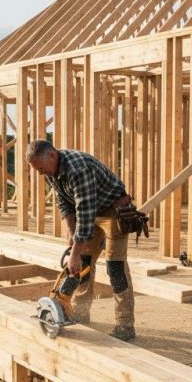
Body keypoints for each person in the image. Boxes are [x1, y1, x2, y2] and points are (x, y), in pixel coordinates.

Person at [26, 139, 136, 341]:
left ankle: (125, 324)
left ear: (52, 155)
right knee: (83, 264)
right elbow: (64, 202)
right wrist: (70, 230)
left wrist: (74, 254)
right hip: (91, 212)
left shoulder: (77, 168)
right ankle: (81, 312)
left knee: (115, 268)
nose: (41, 174)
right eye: (38, 171)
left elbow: (85, 213)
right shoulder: (51, 171)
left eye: (41, 169)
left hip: (112, 210)